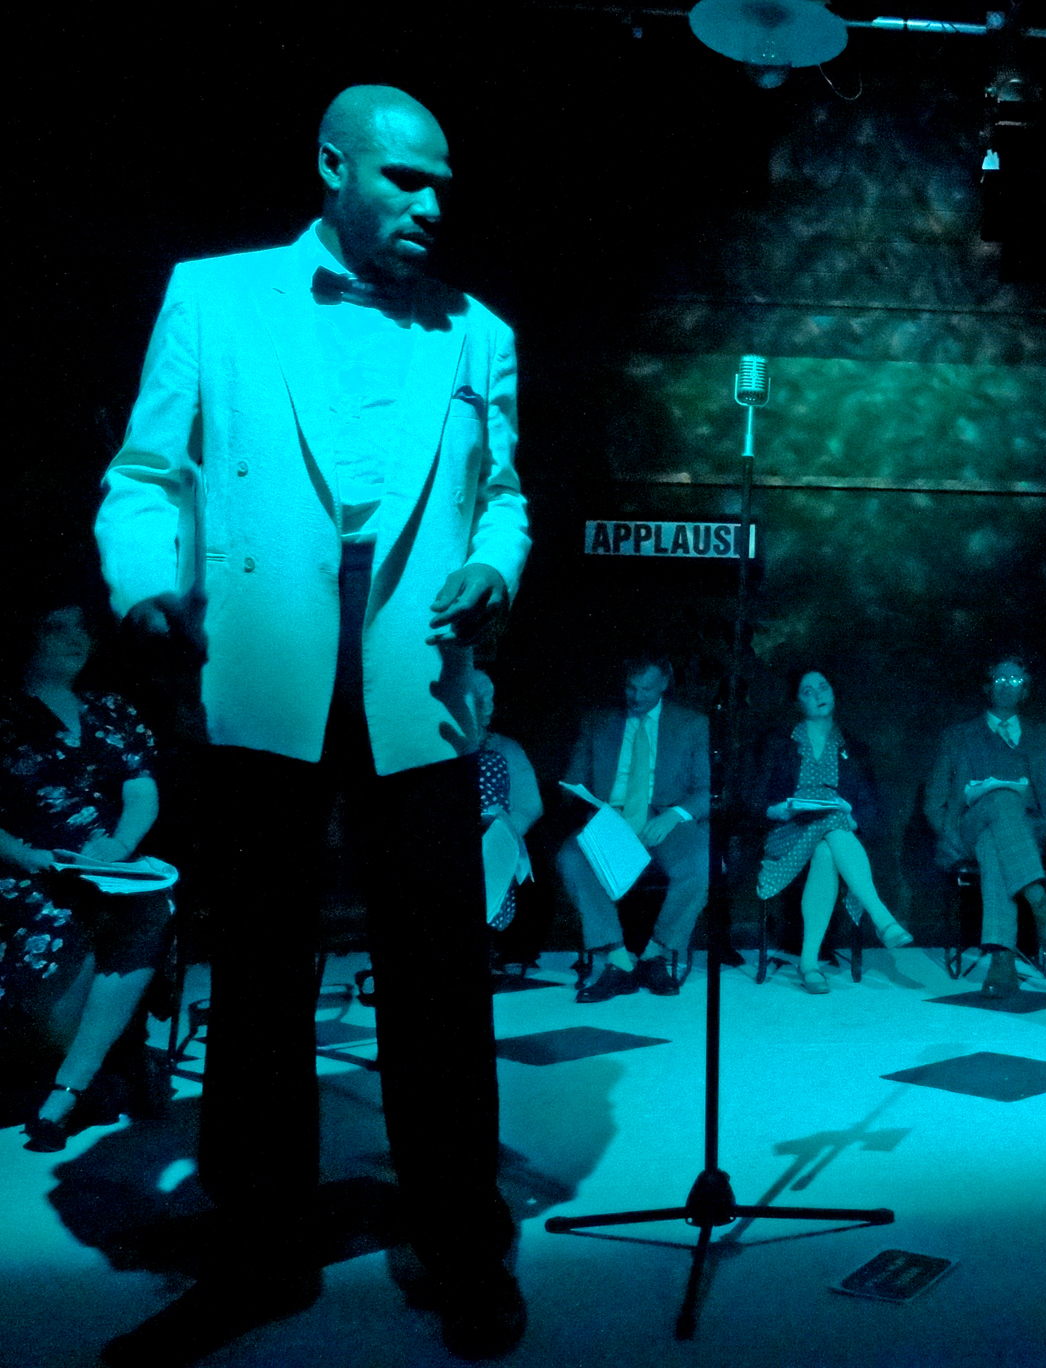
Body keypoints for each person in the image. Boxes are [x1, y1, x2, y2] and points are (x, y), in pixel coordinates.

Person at [94, 86, 530, 1362]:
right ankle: (259, 1246)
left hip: (417, 680)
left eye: (441, 184)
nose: (429, 204)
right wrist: (146, 584)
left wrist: (494, 564)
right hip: (264, 667)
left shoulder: (478, 332)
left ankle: (459, 1235)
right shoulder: (215, 296)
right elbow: (144, 473)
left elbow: (503, 495)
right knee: (260, 975)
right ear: (335, 167)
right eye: (404, 179)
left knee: (439, 978)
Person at [0, 601, 171, 1152]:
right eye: (57, 628)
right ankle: (94, 1071)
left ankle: (65, 1095)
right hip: (28, 868)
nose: (76, 641)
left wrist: (119, 846)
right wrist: (27, 856)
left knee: (151, 905)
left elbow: (141, 789)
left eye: (83, 630)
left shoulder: (111, 708)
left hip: (107, 865)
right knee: (57, 1015)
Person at [555, 653, 710, 1002]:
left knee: (702, 863)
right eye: (631, 687)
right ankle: (619, 960)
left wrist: (674, 815)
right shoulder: (599, 722)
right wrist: (592, 806)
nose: (637, 696)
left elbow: (705, 790)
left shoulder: (691, 724)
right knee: (572, 859)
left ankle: (656, 953)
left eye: (646, 689)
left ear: (664, 684)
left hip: (665, 819)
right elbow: (573, 782)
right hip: (612, 818)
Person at [924, 653, 1046, 997]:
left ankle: (1001, 959)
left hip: (1025, 835)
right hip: (968, 827)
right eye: (999, 679)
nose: (1007, 686)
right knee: (1000, 799)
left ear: (1025, 690)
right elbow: (934, 803)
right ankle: (1041, 906)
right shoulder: (957, 736)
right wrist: (951, 836)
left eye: (1015, 681)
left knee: (995, 845)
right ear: (987, 686)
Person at [756, 668, 912, 993]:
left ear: (834, 693)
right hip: (789, 832)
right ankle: (882, 918)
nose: (818, 695)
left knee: (828, 843)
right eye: (808, 691)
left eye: (823, 687)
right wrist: (779, 809)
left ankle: (808, 963)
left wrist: (851, 816)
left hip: (835, 836)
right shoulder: (780, 744)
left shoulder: (853, 748)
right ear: (797, 702)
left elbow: (870, 807)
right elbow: (754, 798)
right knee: (832, 824)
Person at [471, 667, 541, 934]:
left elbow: (530, 806)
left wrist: (496, 836)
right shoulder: (440, 751)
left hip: (498, 839)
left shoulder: (507, 749)